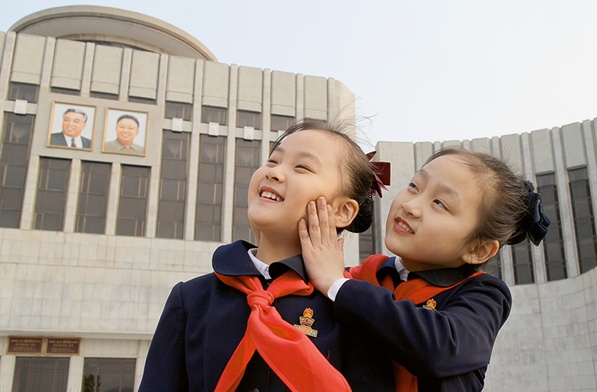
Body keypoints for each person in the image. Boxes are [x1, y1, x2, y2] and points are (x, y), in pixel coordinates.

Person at [139, 119, 395, 391]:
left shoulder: (355, 309)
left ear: (342, 211)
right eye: (273, 161)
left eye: (302, 167)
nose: (275, 173)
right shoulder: (192, 298)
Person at [299, 147, 550, 392]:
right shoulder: (362, 275)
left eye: (440, 203)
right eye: (414, 186)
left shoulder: (483, 294)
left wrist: (338, 285)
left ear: (478, 249)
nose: (411, 206)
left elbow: (441, 348)